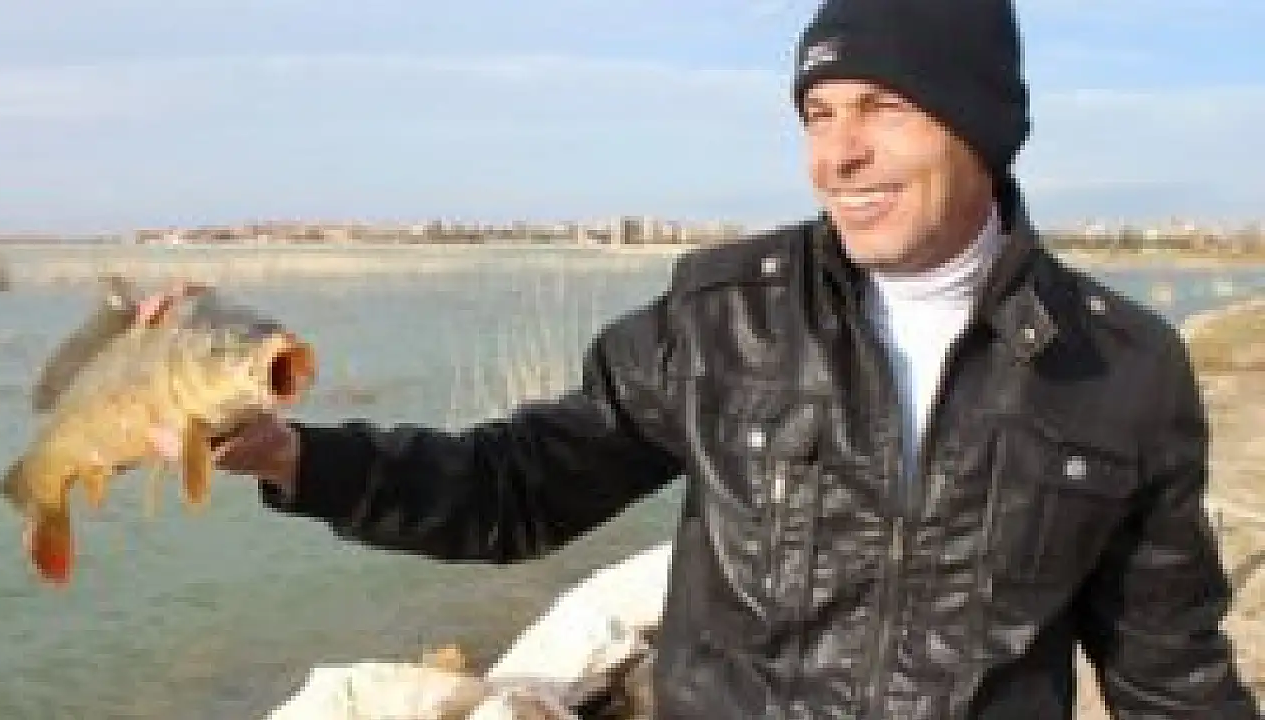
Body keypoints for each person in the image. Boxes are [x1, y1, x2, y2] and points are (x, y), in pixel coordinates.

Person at [140, 0, 1262, 717]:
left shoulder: (1124, 367)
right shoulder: (725, 317)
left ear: (980, 125)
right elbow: (511, 490)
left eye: (880, 108)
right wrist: (292, 457)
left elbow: (1169, 676)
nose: (836, 153)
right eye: (816, 112)